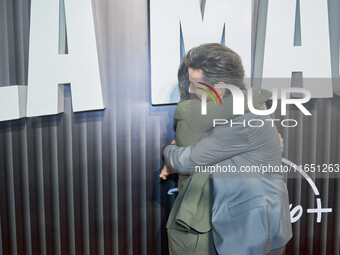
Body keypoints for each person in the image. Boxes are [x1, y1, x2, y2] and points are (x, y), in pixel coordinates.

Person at [162, 43, 292, 255]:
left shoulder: (242, 121)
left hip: (251, 229)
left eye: (196, 84)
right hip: (259, 221)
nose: (190, 90)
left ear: (220, 88)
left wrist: (168, 151)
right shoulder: (242, 106)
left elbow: (186, 161)